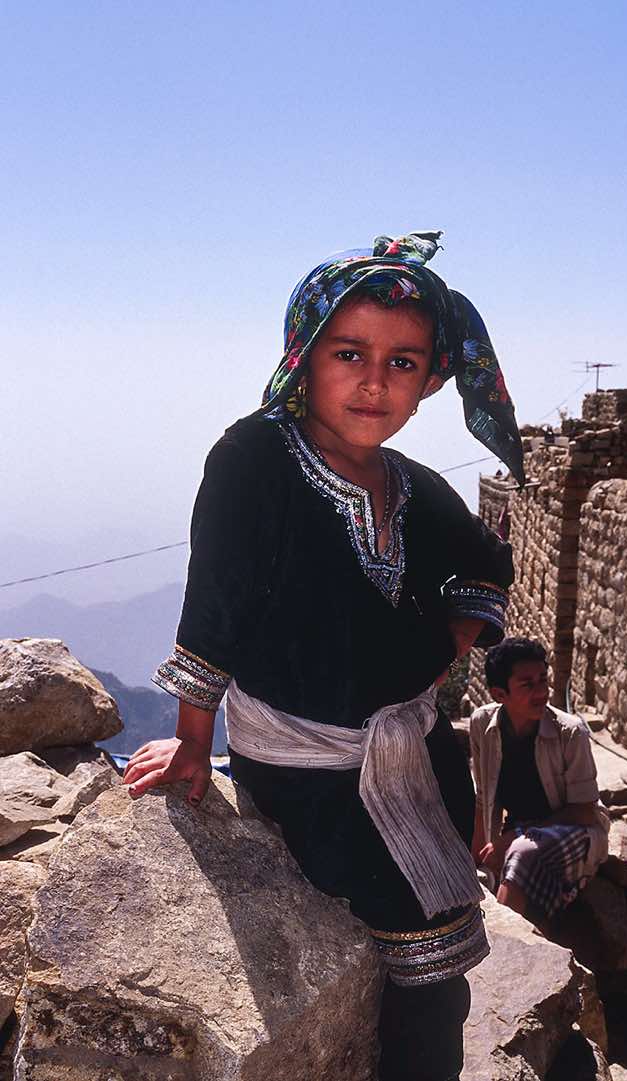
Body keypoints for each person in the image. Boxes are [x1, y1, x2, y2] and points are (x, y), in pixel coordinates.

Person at [122, 230, 525, 1081]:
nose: (375, 381)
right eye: (350, 353)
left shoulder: (413, 486)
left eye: (404, 362)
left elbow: (487, 558)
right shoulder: (254, 462)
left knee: (437, 978)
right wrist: (195, 738)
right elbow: (216, 604)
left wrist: (450, 640)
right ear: (304, 355)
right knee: (407, 964)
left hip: (416, 761)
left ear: (433, 379)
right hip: (308, 777)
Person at [470, 638, 609, 929]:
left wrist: (511, 838)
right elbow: (484, 799)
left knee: (522, 853)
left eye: (543, 680)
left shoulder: (569, 732)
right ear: (500, 693)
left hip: (576, 832)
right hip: (521, 832)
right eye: (527, 685)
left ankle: (505, 946)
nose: (541, 692)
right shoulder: (483, 724)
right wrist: (477, 861)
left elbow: (584, 811)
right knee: (491, 870)